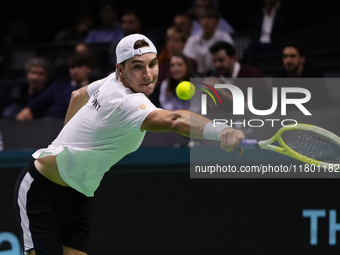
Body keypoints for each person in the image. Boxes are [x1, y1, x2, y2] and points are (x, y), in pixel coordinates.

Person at [14, 33, 244, 255]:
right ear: (120, 70)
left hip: (79, 195)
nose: (148, 74)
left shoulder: (110, 81)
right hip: (42, 191)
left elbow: (77, 96)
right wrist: (220, 130)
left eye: (152, 64)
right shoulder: (125, 102)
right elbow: (174, 120)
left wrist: (62, 141)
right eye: (137, 66)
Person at [15, 53, 93, 121]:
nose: (75, 70)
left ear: (88, 69)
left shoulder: (94, 88)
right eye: (72, 67)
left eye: (79, 66)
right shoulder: (59, 86)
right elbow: (40, 101)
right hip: (51, 122)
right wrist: (29, 109)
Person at [207, 41, 272, 111]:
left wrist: (221, 91)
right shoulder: (216, 79)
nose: (217, 65)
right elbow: (213, 111)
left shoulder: (252, 74)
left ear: (233, 58)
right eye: (214, 61)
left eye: (221, 60)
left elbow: (248, 108)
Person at [274, 40, 331, 108]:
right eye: (285, 56)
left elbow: (317, 105)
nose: (288, 60)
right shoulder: (278, 78)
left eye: (292, 56)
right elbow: (277, 107)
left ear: (302, 59)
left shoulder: (314, 77)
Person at [183, 7, 234, 77]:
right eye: (202, 18)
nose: (205, 21)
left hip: (221, 76)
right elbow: (186, 61)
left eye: (209, 17)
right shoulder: (192, 40)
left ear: (217, 22)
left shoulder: (224, 37)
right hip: (198, 77)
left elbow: (233, 59)